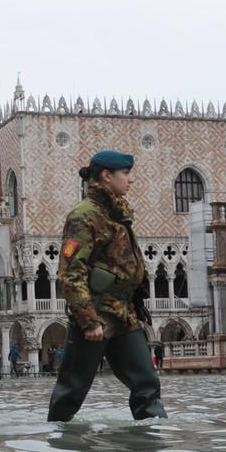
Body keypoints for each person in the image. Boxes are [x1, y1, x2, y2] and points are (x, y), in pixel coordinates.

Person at [48, 150, 166, 421]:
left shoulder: (117, 214)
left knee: (146, 383)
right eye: (126, 174)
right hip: (95, 316)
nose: (131, 180)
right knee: (72, 391)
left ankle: (150, 444)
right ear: (106, 176)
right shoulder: (84, 215)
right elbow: (71, 273)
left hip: (124, 315)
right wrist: (88, 321)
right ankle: (60, 443)